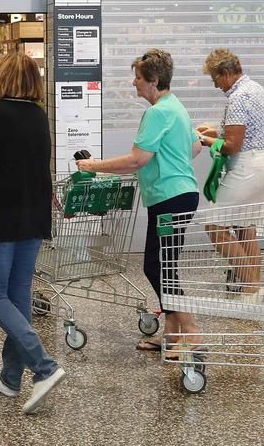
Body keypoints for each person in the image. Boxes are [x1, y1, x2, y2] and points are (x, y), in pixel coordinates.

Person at [0, 53, 66, 415]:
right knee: (17, 296)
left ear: (0, 78)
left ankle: (44, 366)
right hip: (32, 216)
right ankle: (10, 378)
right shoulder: (39, 115)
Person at [77, 49, 202, 350]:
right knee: (166, 264)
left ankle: (192, 331)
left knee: (156, 266)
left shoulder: (157, 113)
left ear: (153, 80)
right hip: (180, 196)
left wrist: (93, 166)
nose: (133, 83)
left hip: (169, 199)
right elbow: (195, 147)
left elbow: (136, 160)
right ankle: (172, 337)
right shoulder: (176, 107)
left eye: (137, 78)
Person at [194, 49, 264, 296]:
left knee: (214, 225)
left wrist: (203, 139)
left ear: (227, 73)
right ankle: (252, 290)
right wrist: (215, 133)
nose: (216, 85)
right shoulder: (255, 88)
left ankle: (252, 286)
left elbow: (233, 145)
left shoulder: (238, 97)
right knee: (245, 228)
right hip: (262, 164)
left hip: (246, 169)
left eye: (215, 78)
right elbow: (243, 133)